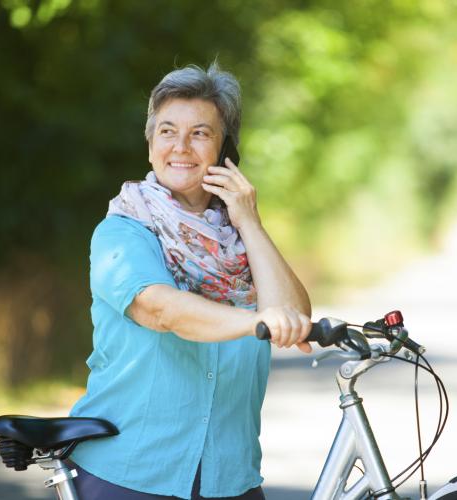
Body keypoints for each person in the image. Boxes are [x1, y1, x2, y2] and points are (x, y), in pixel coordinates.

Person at [67, 61, 313, 500]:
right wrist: (255, 320)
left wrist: (250, 223)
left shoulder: (240, 240)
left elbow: (294, 316)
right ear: (150, 145)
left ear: (225, 152)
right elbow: (160, 309)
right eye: (166, 131)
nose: (180, 146)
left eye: (200, 132)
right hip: (132, 474)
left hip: (231, 476)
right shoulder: (124, 229)